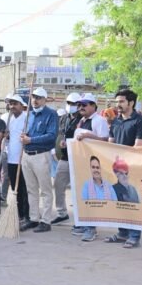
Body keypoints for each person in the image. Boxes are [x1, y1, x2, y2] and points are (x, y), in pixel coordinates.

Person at [105, 89, 142, 249]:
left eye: (121, 102)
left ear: (131, 103)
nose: (118, 105)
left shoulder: (140, 121)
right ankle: (123, 233)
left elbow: (138, 146)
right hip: (116, 169)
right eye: (117, 102)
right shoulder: (115, 122)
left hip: (133, 169)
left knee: (132, 202)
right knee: (119, 202)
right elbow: (110, 144)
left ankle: (134, 235)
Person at [72, 94, 111, 241]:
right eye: (80, 104)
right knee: (83, 195)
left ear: (94, 106)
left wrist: (89, 136)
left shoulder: (99, 121)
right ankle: (83, 223)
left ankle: (91, 228)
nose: (81, 107)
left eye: (85, 104)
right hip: (81, 163)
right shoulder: (82, 121)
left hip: (94, 165)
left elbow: (105, 141)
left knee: (92, 196)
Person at [20, 87, 58, 233]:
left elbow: (51, 135)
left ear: (44, 99)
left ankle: (46, 221)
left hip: (41, 155)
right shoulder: (29, 114)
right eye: (33, 97)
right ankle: (34, 218)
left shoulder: (51, 114)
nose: (35, 100)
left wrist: (30, 139)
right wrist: (23, 138)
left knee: (46, 190)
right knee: (31, 189)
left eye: (38, 98)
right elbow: (26, 134)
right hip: (27, 155)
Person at [53, 93, 81, 226]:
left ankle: (81, 217)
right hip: (64, 157)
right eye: (69, 103)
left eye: (74, 104)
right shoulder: (63, 118)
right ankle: (61, 213)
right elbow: (59, 134)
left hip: (78, 158)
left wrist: (69, 142)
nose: (71, 106)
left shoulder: (82, 119)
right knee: (58, 184)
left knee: (78, 189)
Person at [5, 95, 30, 225]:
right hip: (11, 158)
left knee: (24, 188)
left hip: (23, 159)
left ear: (22, 105)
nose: (13, 106)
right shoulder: (8, 118)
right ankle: (19, 213)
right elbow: (8, 137)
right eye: (11, 104)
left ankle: (26, 215)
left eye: (15, 104)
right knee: (15, 188)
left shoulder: (27, 118)